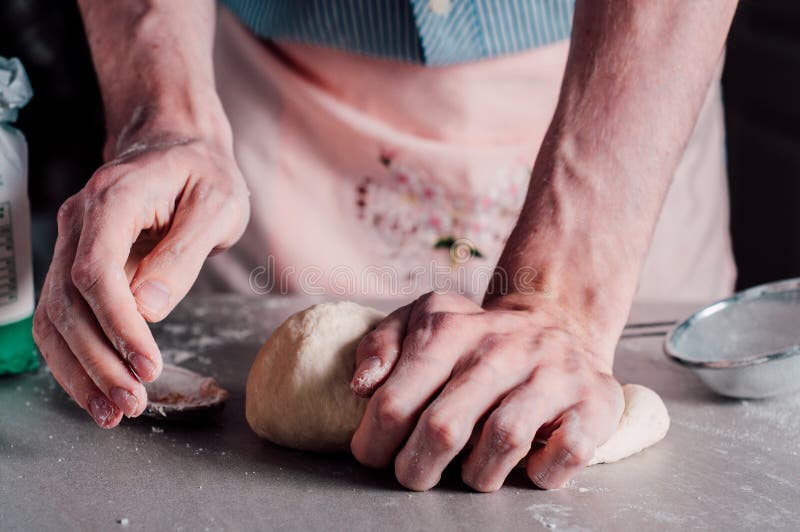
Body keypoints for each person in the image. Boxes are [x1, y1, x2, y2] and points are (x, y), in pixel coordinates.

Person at [32, 0, 738, 492]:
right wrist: (166, 116)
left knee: (573, 406)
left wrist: (565, 302)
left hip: (617, 101)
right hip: (279, 99)